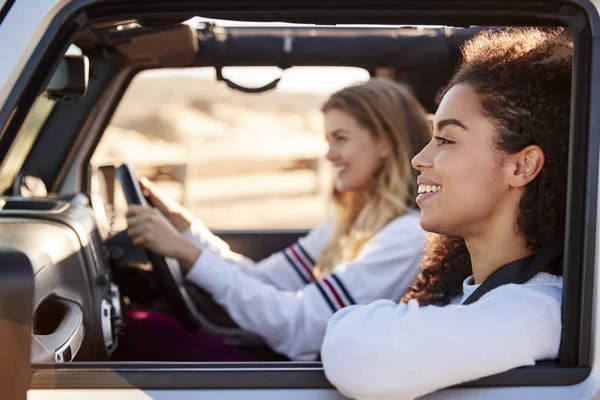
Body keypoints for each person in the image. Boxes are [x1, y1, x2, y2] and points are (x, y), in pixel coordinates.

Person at [320, 28, 571, 399]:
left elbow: (361, 358)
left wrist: (341, 323)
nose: (419, 159)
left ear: (521, 167)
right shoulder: (480, 298)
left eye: (446, 140)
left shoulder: (536, 309)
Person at [120, 78, 432, 361]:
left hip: (323, 378)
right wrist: (186, 228)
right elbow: (263, 279)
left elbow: (298, 326)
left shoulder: (406, 236)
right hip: (306, 365)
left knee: (138, 331)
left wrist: (185, 252)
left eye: (340, 138)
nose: (329, 154)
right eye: (328, 139)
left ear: (384, 142)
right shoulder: (351, 221)